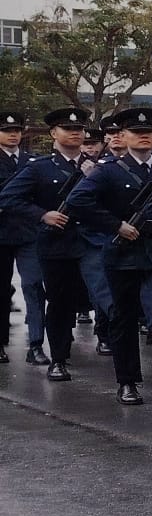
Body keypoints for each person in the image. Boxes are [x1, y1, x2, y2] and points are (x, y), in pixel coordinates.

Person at [66, 105, 152, 405]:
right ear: (122, 136)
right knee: (123, 318)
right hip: (123, 252)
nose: (143, 137)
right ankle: (127, 381)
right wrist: (116, 225)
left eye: (148, 132)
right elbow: (78, 201)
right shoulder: (108, 171)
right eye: (136, 133)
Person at [0, 107, 100, 382]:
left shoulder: (96, 168)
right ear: (54, 133)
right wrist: (42, 214)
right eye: (68, 129)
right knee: (58, 301)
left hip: (89, 243)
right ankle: (56, 356)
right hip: (52, 243)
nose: (75, 133)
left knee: (101, 297)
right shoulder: (40, 167)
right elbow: (8, 198)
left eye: (79, 129)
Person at [0, 110, 46, 365]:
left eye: (16, 130)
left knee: (34, 285)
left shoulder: (32, 162)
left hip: (29, 232)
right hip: (1, 233)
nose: (13, 135)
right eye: (7, 131)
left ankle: (37, 344)